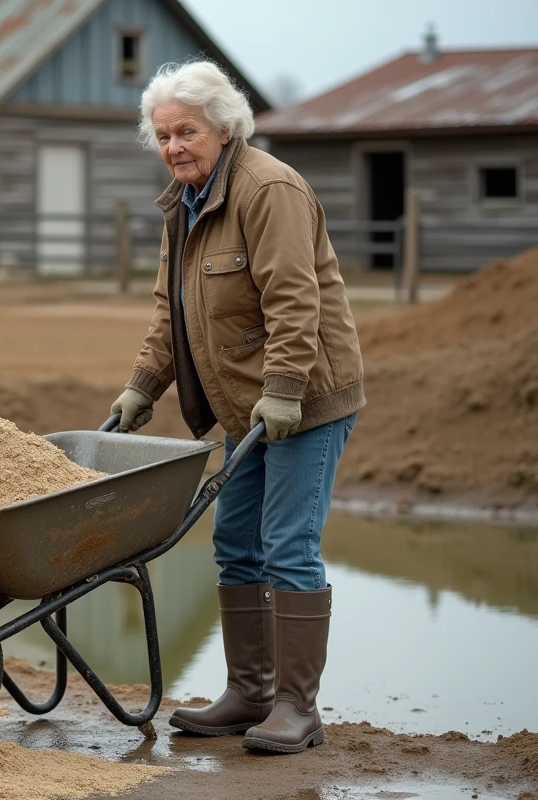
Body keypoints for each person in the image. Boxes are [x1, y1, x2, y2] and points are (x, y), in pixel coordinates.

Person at [109, 59, 365, 754]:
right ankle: (249, 692)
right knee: (235, 545)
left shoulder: (268, 189)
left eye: (186, 132)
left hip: (304, 398)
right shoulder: (184, 203)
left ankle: (297, 708)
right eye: (163, 135)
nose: (174, 147)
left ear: (224, 127)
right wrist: (143, 385)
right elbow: (172, 311)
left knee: (288, 546)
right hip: (247, 407)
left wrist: (284, 390)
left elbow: (294, 300)